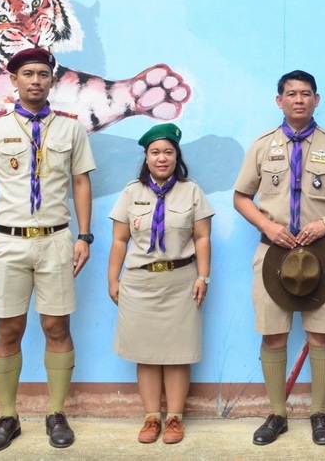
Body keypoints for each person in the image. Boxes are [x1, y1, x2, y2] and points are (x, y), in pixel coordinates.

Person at [0, 47, 96, 452]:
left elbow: (81, 181)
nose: (36, 81)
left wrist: (84, 236)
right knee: (8, 329)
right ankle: (7, 416)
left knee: (56, 327)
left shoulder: (71, 129)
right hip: (8, 242)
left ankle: (56, 413)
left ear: (52, 81)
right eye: (28, 74)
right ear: (14, 80)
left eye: (43, 74)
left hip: (56, 241)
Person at [233, 70, 325, 446]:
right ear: (280, 101)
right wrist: (267, 225)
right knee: (273, 334)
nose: (299, 100)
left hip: (320, 254)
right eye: (291, 94)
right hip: (273, 252)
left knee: (320, 334)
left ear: (316, 100)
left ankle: (319, 413)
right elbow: (241, 197)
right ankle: (277, 413)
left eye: (306, 94)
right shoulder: (262, 145)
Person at [107, 123, 214, 445]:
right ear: (146, 156)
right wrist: (113, 279)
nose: (162, 158)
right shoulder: (131, 192)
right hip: (140, 282)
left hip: (181, 282)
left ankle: (176, 418)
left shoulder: (191, 191)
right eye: (155, 152)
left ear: (177, 156)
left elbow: (202, 237)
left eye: (168, 152)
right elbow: (119, 240)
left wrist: (203, 276)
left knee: (178, 353)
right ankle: (152, 417)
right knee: (146, 352)